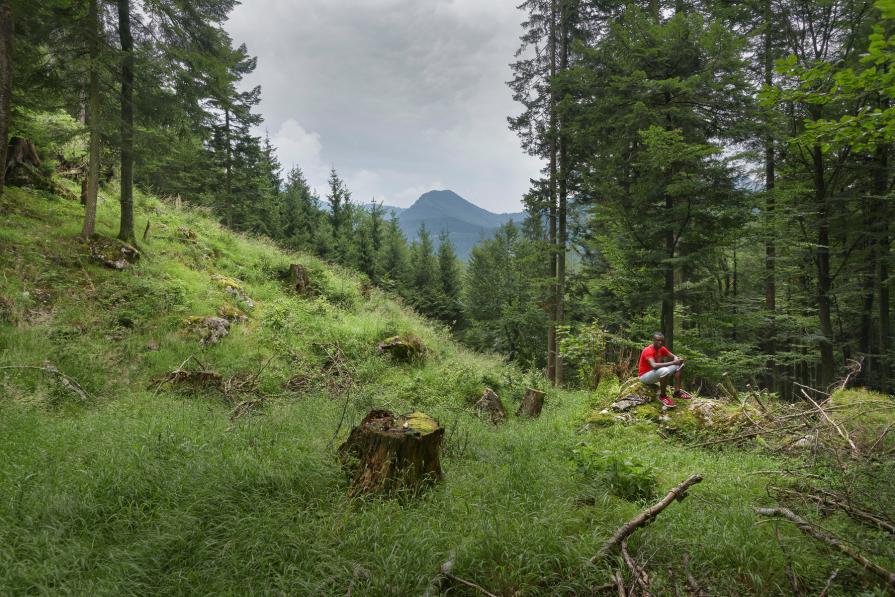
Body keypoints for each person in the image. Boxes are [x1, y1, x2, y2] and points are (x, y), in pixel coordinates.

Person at [638, 332, 692, 408]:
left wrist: (678, 359)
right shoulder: (648, 350)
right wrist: (673, 362)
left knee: (679, 365)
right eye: (658, 340)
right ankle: (663, 396)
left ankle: (677, 392)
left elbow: (674, 357)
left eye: (662, 341)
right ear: (653, 340)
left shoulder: (662, 348)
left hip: (656, 373)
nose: (660, 342)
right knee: (664, 370)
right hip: (644, 376)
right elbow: (654, 365)